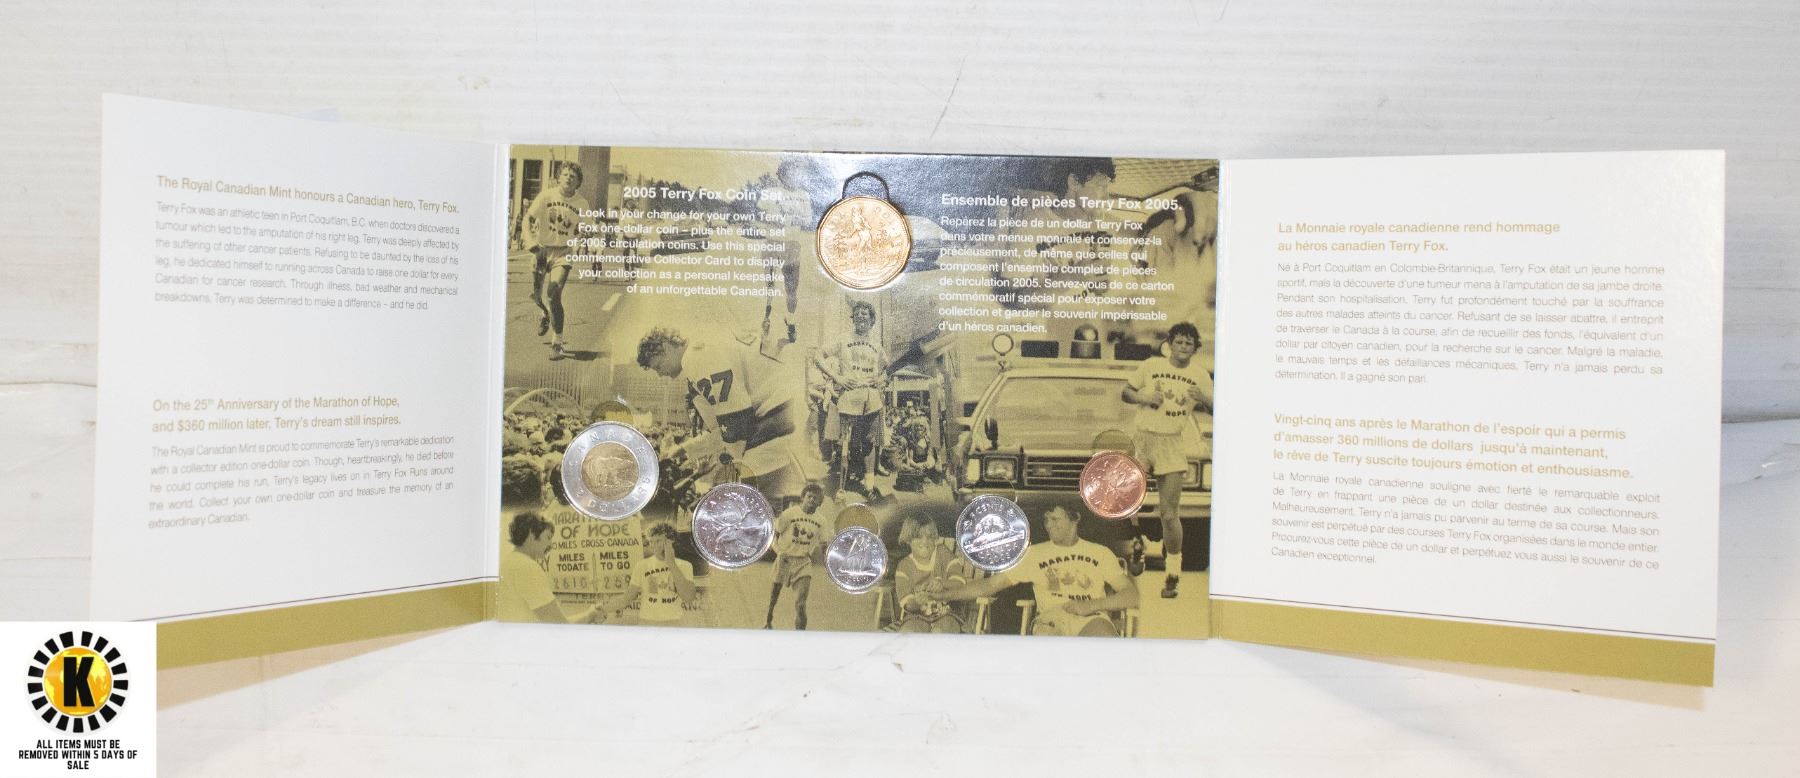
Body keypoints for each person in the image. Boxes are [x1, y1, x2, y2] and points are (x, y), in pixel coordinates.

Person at [637, 326, 813, 500]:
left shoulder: (695, 357)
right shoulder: (704, 346)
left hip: (770, 433)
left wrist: (737, 466)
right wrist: (684, 449)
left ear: (666, 348)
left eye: (658, 366)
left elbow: (736, 423)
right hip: (779, 428)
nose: (660, 374)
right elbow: (722, 431)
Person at [924, 504, 1137, 637]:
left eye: (1055, 519)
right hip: (1052, 618)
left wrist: (1091, 605)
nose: (1049, 525)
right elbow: (990, 585)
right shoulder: (1034, 554)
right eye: (1046, 520)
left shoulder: (1100, 553)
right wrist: (945, 595)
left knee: (1103, 644)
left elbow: (1131, 595)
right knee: (1047, 646)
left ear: (1075, 518)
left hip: (1092, 617)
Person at [1121, 321, 1213, 598]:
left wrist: (1204, 399)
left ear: (1195, 348)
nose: (1183, 347)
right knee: (1126, 501)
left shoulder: (1200, 375)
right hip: (1143, 439)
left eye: (1188, 343)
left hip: (1172, 443)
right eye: (1179, 342)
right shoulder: (1151, 365)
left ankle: (1173, 573)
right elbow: (1126, 392)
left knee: (1169, 514)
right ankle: (1136, 543)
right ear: (1169, 344)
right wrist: (1144, 396)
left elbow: (1220, 409)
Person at [815, 300, 890, 493]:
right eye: (857, 313)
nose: (861, 316)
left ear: (872, 320)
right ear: (853, 319)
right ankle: (841, 486)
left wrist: (880, 379)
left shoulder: (877, 345)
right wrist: (837, 377)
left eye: (865, 314)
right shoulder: (843, 339)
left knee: (869, 441)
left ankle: (869, 483)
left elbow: (886, 369)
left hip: (871, 398)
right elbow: (818, 356)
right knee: (845, 442)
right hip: (849, 397)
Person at [523, 163, 590, 360]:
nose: (568, 178)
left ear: (578, 182)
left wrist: (583, 237)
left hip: (563, 252)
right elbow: (527, 219)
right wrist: (530, 241)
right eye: (565, 174)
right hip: (541, 251)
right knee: (537, 296)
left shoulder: (582, 204)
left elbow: (587, 228)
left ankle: (557, 343)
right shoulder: (546, 196)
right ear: (559, 177)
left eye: (573, 176)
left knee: (553, 294)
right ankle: (545, 314)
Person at [498, 511, 602, 624]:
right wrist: (590, 615)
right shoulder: (527, 567)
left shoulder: (508, 562)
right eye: (548, 537)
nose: (551, 544)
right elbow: (558, 625)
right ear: (531, 535)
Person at [764, 482, 828, 630]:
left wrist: (829, 561)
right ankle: (768, 621)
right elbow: (774, 533)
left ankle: (800, 636)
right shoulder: (789, 514)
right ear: (803, 497)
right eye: (809, 496)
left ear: (820, 502)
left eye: (815, 498)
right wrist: (778, 550)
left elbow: (824, 544)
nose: (812, 500)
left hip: (803, 563)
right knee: (773, 596)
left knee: (800, 603)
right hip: (784, 559)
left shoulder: (821, 521)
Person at [893, 514, 970, 633]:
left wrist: (942, 583)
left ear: (935, 538)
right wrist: (918, 601)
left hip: (948, 614)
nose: (925, 541)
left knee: (941, 631)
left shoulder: (943, 553)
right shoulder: (904, 566)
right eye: (918, 537)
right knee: (909, 632)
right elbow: (907, 604)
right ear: (908, 540)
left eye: (929, 537)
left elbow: (960, 582)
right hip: (916, 616)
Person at [630, 523, 698, 625]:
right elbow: (627, 597)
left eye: (658, 541)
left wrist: (671, 563)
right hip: (647, 622)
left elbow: (688, 598)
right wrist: (606, 609)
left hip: (674, 622)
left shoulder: (685, 565)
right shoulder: (641, 565)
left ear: (670, 542)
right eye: (651, 542)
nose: (653, 546)